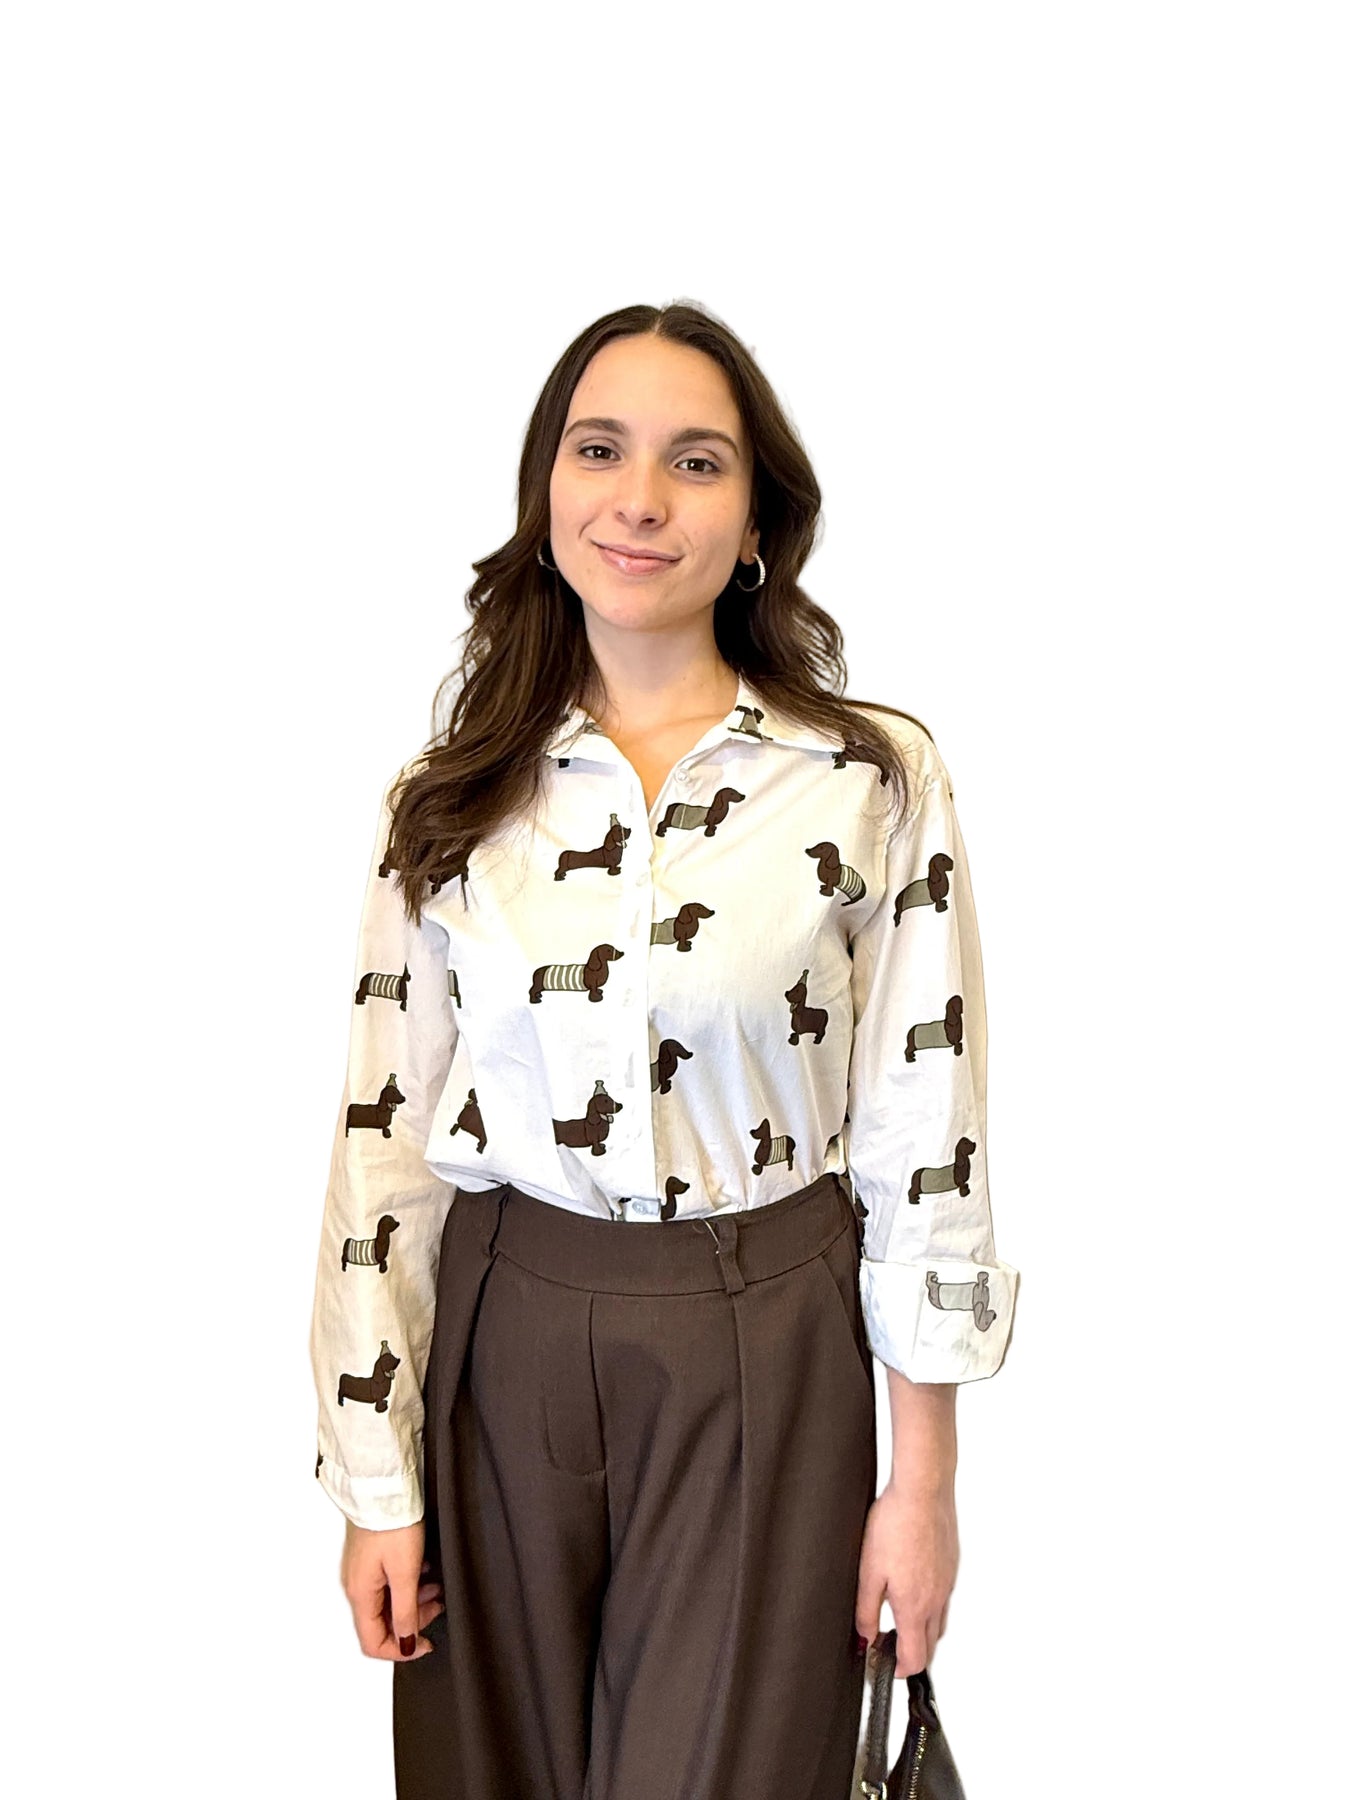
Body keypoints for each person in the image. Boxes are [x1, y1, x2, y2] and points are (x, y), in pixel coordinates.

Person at [308, 299, 1020, 1798]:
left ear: (755, 522)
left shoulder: (869, 780)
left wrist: (924, 1487)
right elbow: (385, 1148)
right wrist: (375, 1479)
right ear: (545, 492)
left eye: (695, 462)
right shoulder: (450, 799)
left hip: (763, 1332)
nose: (639, 499)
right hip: (501, 1332)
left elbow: (925, 1133)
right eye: (599, 451)